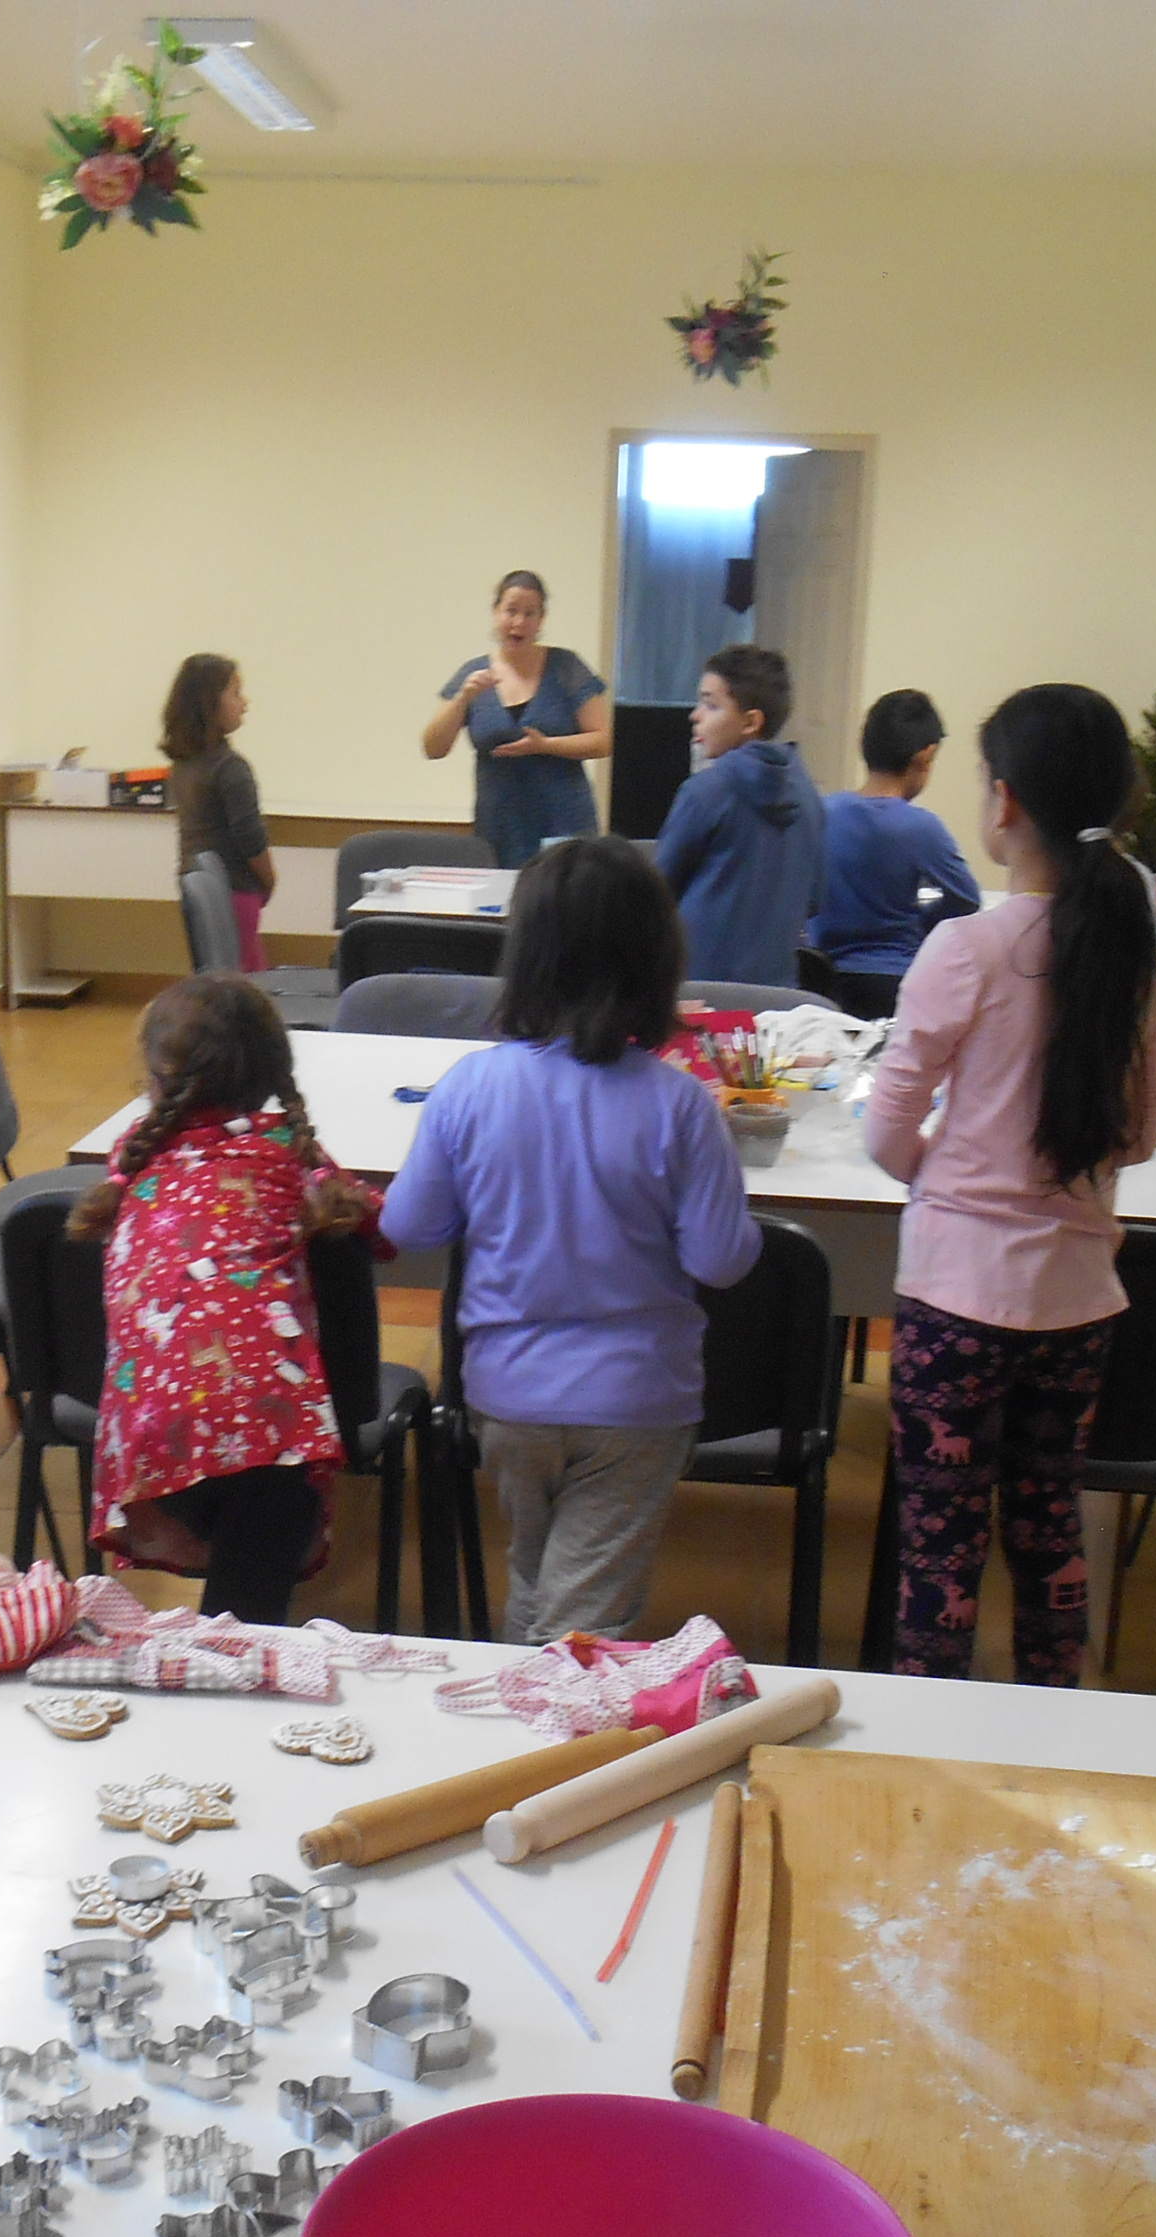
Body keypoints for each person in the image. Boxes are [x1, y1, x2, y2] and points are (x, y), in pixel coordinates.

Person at [863, 685, 1156, 1686]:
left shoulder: (969, 946)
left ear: (1003, 803)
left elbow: (886, 1127)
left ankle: (927, 1752)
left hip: (956, 1295)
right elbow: (1137, 1134)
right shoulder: (1134, 952)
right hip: (1078, 1299)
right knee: (1050, 1537)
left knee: (938, 1552)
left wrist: (947, 1176)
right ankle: (1055, 1727)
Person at [380, 836, 760, 1642]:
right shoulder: (682, 1106)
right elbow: (721, 1260)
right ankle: (560, 1753)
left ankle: (527, 1736)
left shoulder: (470, 1089)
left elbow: (409, 1225)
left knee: (537, 1576)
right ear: (657, 960)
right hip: (634, 1401)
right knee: (587, 1620)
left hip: (507, 1393)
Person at [66, 974, 381, 1625]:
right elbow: (373, 1228)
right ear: (272, 1071)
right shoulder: (286, 1152)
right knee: (244, 1629)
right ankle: (216, 1701)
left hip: (150, 1436)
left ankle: (206, 1683)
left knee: (230, 1619)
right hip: (270, 1431)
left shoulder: (133, 1157)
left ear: (158, 1079)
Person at [654, 645, 825, 988]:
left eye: (711, 704)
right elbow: (814, 900)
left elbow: (654, 896)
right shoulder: (812, 799)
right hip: (777, 999)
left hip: (697, 993)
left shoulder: (705, 792)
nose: (695, 715)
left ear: (751, 722)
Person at [807, 687, 982, 1020]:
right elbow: (965, 901)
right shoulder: (922, 827)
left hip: (822, 980)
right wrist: (924, 907)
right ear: (925, 757)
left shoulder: (821, 813)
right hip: (894, 982)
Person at [422, 571, 612, 866]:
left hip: (563, 821)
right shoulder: (473, 673)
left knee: (563, 904)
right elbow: (432, 748)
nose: (519, 622)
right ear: (495, 612)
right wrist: (462, 699)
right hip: (500, 824)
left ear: (541, 621)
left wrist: (546, 745)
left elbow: (603, 741)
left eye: (530, 613)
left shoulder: (566, 667)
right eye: (511, 611)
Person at [162, 654, 275, 971]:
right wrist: (270, 879)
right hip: (236, 892)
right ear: (209, 702)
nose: (245, 702)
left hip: (196, 888)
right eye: (236, 693)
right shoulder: (231, 768)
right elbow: (250, 838)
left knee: (213, 978)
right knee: (246, 987)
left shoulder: (184, 764)